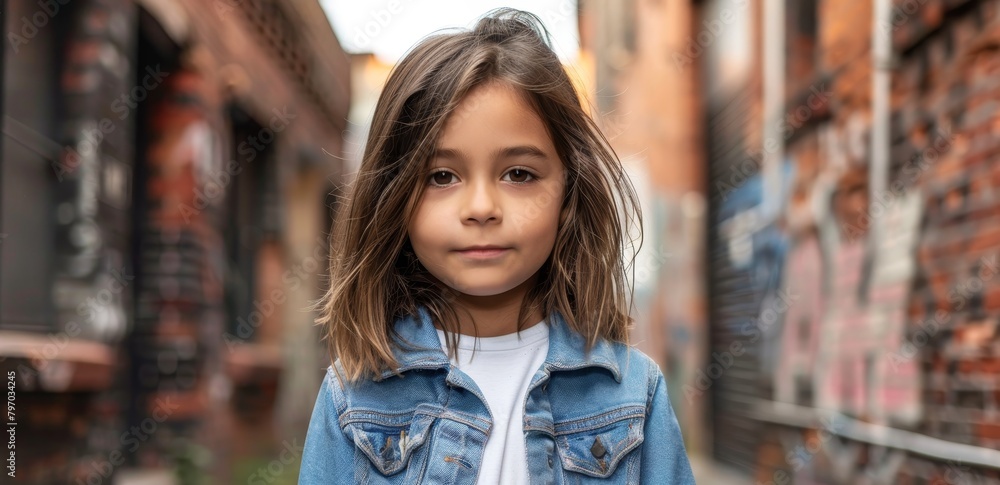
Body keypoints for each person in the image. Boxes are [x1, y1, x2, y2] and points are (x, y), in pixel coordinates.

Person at [299, 8, 695, 484]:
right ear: (395, 198)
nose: (482, 207)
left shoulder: (635, 396)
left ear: (568, 195)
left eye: (519, 174)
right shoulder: (352, 400)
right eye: (441, 176)